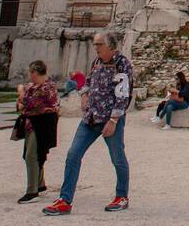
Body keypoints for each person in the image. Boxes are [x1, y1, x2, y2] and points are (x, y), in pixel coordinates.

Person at [43, 31, 134, 216]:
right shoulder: (97, 62)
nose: (95, 48)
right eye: (95, 44)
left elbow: (123, 95)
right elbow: (89, 81)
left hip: (109, 119)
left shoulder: (122, 64)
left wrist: (114, 120)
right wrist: (84, 94)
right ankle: (65, 199)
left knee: (117, 158)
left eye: (99, 44)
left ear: (110, 46)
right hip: (90, 118)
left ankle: (121, 196)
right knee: (73, 155)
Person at [16, 60, 60, 204]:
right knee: (32, 153)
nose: (29, 75)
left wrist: (21, 93)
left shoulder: (48, 87)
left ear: (34, 72)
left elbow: (29, 103)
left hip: (43, 124)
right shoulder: (32, 86)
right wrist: (23, 102)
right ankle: (40, 184)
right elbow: (20, 106)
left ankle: (32, 191)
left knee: (32, 155)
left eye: (30, 72)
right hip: (31, 123)